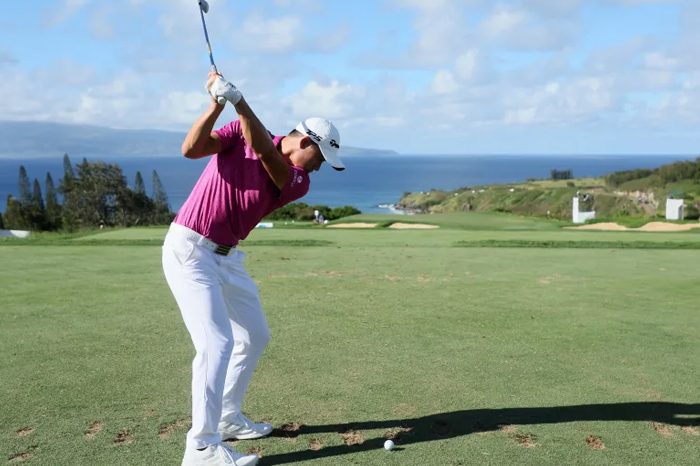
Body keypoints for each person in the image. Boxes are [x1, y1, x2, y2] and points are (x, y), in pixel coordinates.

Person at [162, 72, 345, 466]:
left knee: (254, 335)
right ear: (306, 142)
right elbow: (190, 150)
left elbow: (265, 153)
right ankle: (201, 448)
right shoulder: (238, 133)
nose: (318, 169)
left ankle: (226, 418)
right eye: (320, 159)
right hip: (190, 250)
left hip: (227, 258)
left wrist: (239, 100)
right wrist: (217, 104)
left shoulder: (297, 181)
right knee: (216, 344)